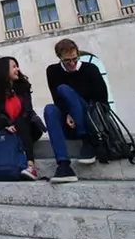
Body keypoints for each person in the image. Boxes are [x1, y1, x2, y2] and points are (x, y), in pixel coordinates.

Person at [43, 39, 108, 184]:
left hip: (90, 120)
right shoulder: (53, 71)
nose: (72, 64)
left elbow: (102, 100)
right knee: (50, 109)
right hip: (69, 122)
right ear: (59, 58)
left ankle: (87, 141)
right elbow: (57, 100)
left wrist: (74, 110)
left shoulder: (90, 69)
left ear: (78, 55)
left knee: (63, 89)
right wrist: (68, 113)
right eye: (67, 61)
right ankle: (63, 165)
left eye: (74, 59)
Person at [0, 56, 42, 180]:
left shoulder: (23, 85)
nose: (17, 69)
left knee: (21, 122)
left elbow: (27, 111)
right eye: (14, 67)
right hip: (10, 126)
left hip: (28, 125)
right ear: (4, 70)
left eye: (17, 66)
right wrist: (7, 124)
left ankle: (31, 166)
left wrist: (13, 124)